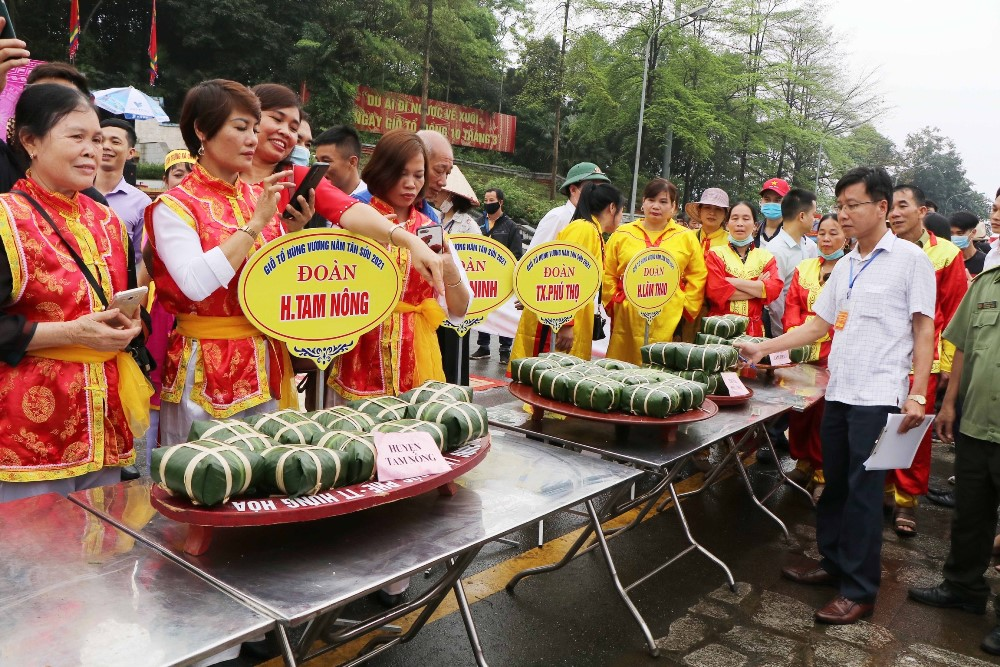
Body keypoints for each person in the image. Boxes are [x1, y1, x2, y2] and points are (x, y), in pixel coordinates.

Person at [737, 166, 935, 625]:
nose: (842, 215)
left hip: (879, 396)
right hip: (839, 391)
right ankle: (832, 562)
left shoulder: (910, 260)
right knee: (835, 486)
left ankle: (860, 589)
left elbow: (925, 329)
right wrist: (763, 347)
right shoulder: (845, 265)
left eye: (852, 206)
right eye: (840, 205)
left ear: (881, 207)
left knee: (865, 495)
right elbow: (816, 325)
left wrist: (918, 395)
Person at [0, 84, 146, 502]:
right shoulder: (7, 220)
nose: (92, 150)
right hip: (29, 434)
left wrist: (131, 322)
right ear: (30, 141)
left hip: (105, 423)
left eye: (97, 139)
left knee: (103, 553)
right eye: (76, 137)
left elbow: (117, 299)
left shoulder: (108, 221)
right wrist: (70, 334)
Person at [146, 80, 304, 446]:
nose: (252, 138)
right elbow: (195, 283)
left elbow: (278, 277)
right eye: (239, 127)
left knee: (263, 472)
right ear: (202, 129)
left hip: (264, 360)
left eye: (254, 127)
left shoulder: (258, 198)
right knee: (204, 473)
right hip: (203, 365)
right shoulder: (175, 205)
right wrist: (256, 225)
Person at [328, 128, 470, 400]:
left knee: (412, 432)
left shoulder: (431, 229)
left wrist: (449, 268)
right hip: (361, 348)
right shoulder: (357, 221)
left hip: (417, 351)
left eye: (418, 176)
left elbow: (459, 307)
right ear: (382, 171)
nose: (410, 184)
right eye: (400, 174)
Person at [907, 258, 1000, 657]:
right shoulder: (986, 284)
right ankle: (963, 587)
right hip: (977, 422)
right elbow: (961, 343)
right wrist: (948, 403)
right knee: (971, 513)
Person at [885, 183, 967, 536]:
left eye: (903, 206)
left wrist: (948, 362)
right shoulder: (881, 247)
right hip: (885, 355)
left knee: (912, 432)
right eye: (892, 206)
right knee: (879, 426)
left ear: (922, 212)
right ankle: (883, 491)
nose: (895, 213)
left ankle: (907, 501)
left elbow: (953, 313)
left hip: (925, 359)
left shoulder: (946, 254)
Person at [511, 181, 623, 361]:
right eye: (621, 210)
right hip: (557, 324)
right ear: (612, 208)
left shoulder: (592, 231)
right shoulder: (584, 230)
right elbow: (563, 276)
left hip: (572, 319)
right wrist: (565, 323)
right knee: (546, 376)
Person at [783, 213, 851, 501]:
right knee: (800, 411)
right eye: (822, 233)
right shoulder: (805, 268)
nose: (826, 239)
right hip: (804, 351)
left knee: (827, 417)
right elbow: (792, 306)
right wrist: (797, 336)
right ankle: (803, 462)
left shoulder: (851, 268)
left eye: (833, 233)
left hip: (833, 353)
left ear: (845, 237)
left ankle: (824, 471)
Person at [604, 178, 707, 365]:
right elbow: (607, 271)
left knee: (658, 366)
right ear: (643, 203)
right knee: (622, 366)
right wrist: (613, 301)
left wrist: (684, 306)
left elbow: (698, 275)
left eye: (663, 201)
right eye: (651, 200)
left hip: (668, 314)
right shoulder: (622, 234)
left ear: (674, 207)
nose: (656, 206)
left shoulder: (685, 237)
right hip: (627, 313)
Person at [143, 149, 195, 464]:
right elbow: (145, 270)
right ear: (165, 181)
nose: (185, 180)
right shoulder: (159, 213)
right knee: (157, 383)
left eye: (191, 173)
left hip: (192, 312)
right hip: (161, 308)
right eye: (178, 173)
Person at [431, 165, 481, 385]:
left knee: (455, 350)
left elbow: (477, 260)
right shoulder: (436, 218)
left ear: (451, 196)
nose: (437, 194)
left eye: (442, 192)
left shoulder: (468, 225)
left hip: (457, 292)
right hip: (438, 296)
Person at [704, 201, 782, 336]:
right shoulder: (715, 254)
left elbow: (773, 290)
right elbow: (715, 291)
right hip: (720, 328)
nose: (740, 223)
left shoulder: (765, 256)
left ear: (755, 226)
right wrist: (758, 288)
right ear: (727, 224)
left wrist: (731, 282)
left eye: (746, 219)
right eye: (734, 218)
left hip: (754, 329)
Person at [470, 188, 522, 365]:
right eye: (485, 199)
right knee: (483, 309)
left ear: (500, 202)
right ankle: (483, 346)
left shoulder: (511, 226)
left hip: (503, 278)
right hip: (482, 276)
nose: (487, 203)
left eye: (491, 200)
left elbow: (516, 253)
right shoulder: (477, 223)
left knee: (504, 311)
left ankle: (504, 349)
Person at [96, 119, 151, 268]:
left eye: (115, 142)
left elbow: (141, 261)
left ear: (130, 153)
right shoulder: (74, 192)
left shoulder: (142, 203)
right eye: (99, 140)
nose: (106, 146)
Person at [765, 188, 819, 338]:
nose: (814, 219)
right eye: (813, 214)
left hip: (807, 328)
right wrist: (783, 337)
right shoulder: (775, 250)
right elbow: (775, 302)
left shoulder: (810, 246)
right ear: (802, 216)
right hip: (783, 331)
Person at [528, 162, 611, 249]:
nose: (598, 194)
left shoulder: (593, 222)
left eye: (601, 189)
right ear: (573, 190)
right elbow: (534, 257)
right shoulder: (558, 217)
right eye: (592, 188)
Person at [314, 125, 367, 197]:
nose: (318, 169)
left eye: (326, 161)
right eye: (317, 161)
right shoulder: (316, 197)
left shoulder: (371, 203)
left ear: (352, 162)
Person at [435, 165, 481, 235]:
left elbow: (479, 245)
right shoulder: (434, 218)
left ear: (451, 194)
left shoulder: (468, 226)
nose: (435, 194)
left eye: (439, 191)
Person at [950, 210, 986, 277]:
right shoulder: (947, 260)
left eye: (960, 233)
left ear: (973, 233)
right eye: (951, 233)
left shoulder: (985, 261)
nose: (955, 237)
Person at [755, 177, 790, 247]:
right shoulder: (753, 231)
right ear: (761, 201)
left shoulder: (793, 235)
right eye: (767, 199)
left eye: (778, 200)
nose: (771, 204)